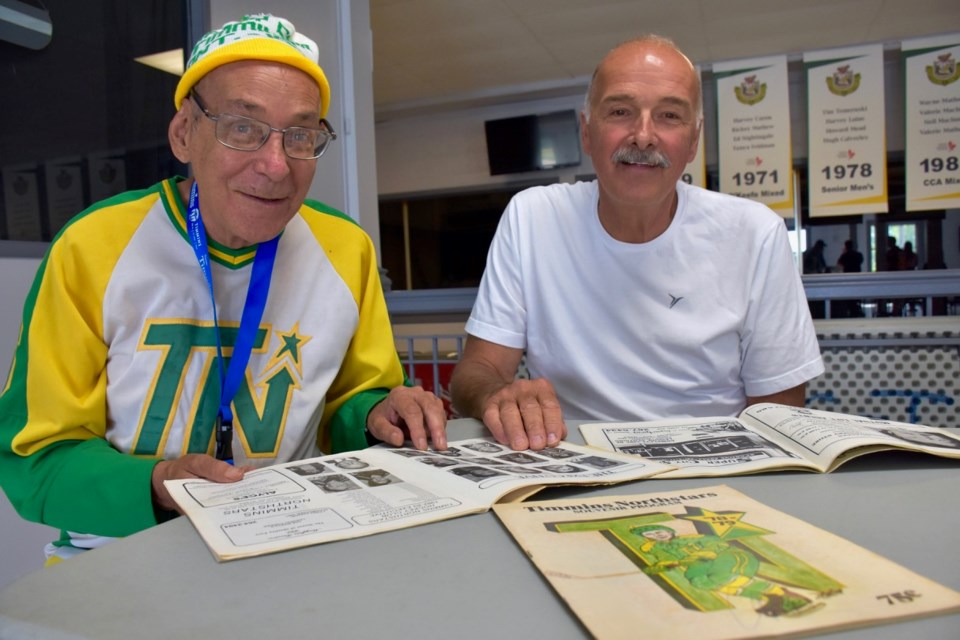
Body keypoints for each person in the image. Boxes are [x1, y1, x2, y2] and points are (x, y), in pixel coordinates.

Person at [0, 13, 447, 562]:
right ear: (184, 134)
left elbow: (354, 399)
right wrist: (158, 486)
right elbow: (35, 459)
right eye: (243, 127)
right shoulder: (92, 246)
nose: (276, 165)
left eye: (301, 135)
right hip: (118, 556)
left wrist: (382, 417)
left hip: (293, 544)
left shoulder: (345, 249)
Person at [450, 35, 823, 451]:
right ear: (587, 132)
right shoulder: (531, 218)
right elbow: (477, 369)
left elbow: (780, 411)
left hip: (714, 466)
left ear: (694, 140)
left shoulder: (755, 233)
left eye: (668, 115)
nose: (643, 136)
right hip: (570, 458)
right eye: (620, 111)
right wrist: (495, 395)